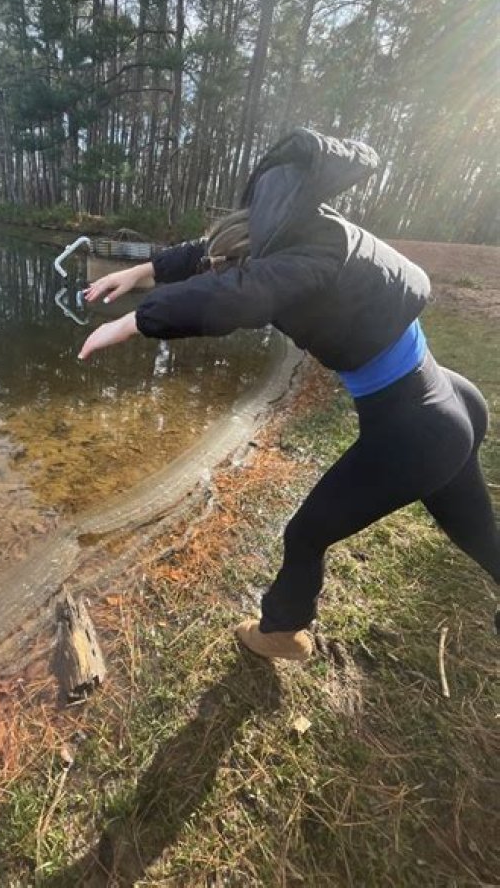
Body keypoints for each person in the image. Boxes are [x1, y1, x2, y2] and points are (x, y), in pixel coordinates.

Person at [78, 128, 500, 661]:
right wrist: (141, 272)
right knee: (473, 523)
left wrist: (135, 321)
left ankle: (282, 632)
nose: (222, 269)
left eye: (229, 265)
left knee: (305, 534)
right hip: (452, 398)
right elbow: (208, 256)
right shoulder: (313, 229)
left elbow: (234, 294)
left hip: (418, 431)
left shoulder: (298, 267)